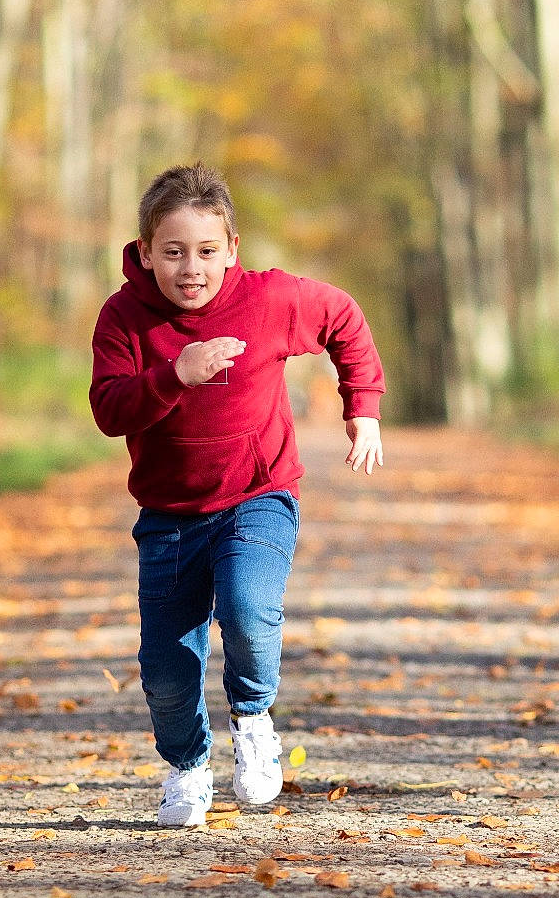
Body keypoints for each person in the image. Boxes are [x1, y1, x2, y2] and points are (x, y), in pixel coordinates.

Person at [89, 163, 386, 827]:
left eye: (205, 250)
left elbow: (344, 317)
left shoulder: (269, 299)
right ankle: (187, 767)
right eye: (172, 251)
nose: (190, 267)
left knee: (250, 607)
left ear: (231, 249)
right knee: (167, 668)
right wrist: (175, 375)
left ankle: (254, 721)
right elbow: (109, 408)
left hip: (259, 494)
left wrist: (361, 406)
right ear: (145, 253)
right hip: (168, 516)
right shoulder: (124, 318)